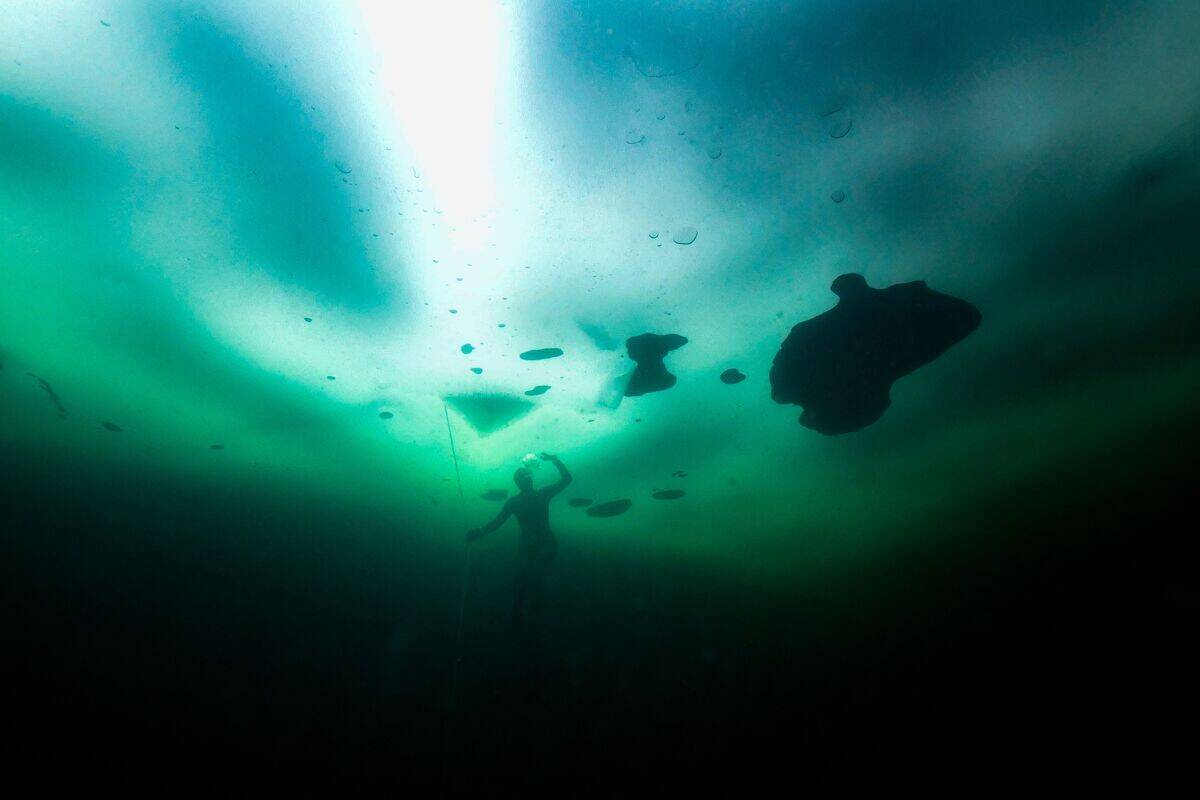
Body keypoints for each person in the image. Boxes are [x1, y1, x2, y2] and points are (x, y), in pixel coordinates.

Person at [467, 453, 571, 633]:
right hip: (529, 544)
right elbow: (497, 522)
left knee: (535, 570)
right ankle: (519, 612)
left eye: (528, 475)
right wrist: (480, 531)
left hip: (546, 542)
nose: (528, 478)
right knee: (523, 575)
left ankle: (535, 609)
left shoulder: (542, 494)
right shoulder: (515, 502)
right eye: (524, 477)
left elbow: (567, 479)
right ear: (518, 482)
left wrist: (554, 459)